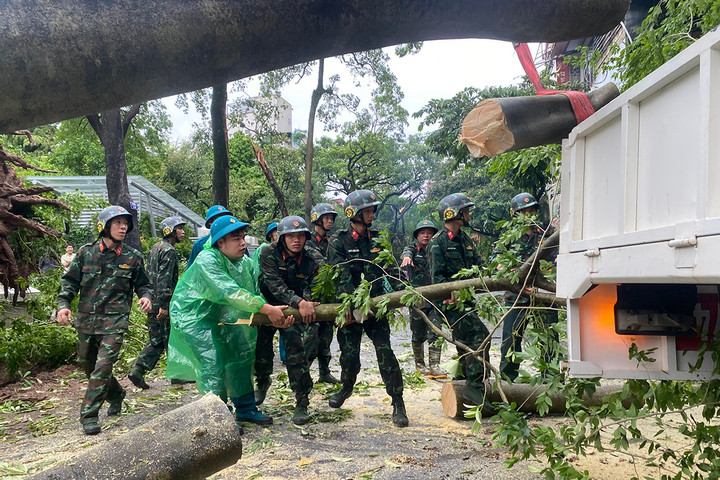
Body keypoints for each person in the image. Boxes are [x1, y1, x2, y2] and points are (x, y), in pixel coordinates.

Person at [166, 215, 292, 428]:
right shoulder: (208, 259)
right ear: (219, 242)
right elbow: (228, 291)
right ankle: (217, 417)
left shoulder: (244, 263)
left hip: (225, 314)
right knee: (212, 361)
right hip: (194, 317)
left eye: (243, 237)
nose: (243, 242)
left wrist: (272, 317)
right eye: (236, 238)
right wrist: (267, 309)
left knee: (240, 354)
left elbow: (253, 294)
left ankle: (246, 408)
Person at [56, 205, 153, 435]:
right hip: (86, 321)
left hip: (114, 322)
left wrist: (147, 298)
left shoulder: (132, 257)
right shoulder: (85, 253)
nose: (123, 227)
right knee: (88, 365)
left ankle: (89, 415)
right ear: (105, 226)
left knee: (102, 368)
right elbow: (69, 282)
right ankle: (117, 393)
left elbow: (144, 285)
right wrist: (63, 306)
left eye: (126, 223)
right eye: (118, 222)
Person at [327, 189, 408, 428]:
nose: (372, 214)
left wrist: (402, 293)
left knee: (386, 352)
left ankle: (398, 401)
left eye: (372, 210)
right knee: (349, 355)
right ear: (354, 213)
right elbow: (341, 279)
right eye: (367, 210)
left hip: (375, 307)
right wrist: (354, 310)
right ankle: (346, 387)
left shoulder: (378, 239)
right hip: (350, 308)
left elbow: (390, 271)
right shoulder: (338, 241)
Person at [256, 215, 320, 425]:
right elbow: (273, 283)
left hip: (293, 311)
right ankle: (262, 383)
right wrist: (300, 301)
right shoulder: (268, 252)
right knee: (262, 351)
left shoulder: (311, 257)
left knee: (296, 353)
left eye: (300, 235)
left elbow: (319, 282)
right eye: (291, 236)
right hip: (266, 308)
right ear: (281, 238)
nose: (296, 240)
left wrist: (309, 301)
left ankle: (302, 401)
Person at [428, 193, 490, 405]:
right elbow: (437, 279)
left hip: (467, 301)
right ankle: (475, 386)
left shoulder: (465, 239)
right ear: (453, 213)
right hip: (450, 304)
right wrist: (449, 293)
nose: (468, 214)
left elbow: (478, 267)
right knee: (480, 335)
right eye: (465, 211)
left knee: (465, 343)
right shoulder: (438, 243)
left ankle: (463, 383)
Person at [496, 192, 559, 382]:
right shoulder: (507, 238)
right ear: (515, 214)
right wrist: (505, 267)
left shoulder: (547, 234)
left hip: (543, 294)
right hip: (516, 296)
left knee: (549, 336)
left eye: (531, 210)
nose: (528, 214)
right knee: (511, 338)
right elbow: (497, 262)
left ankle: (552, 378)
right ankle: (508, 379)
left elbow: (557, 256)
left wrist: (555, 263)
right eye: (523, 211)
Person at [128, 216, 186, 390]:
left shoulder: (155, 247)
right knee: (165, 339)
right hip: (161, 302)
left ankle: (173, 375)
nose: (182, 232)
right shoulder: (169, 251)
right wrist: (164, 304)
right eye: (179, 228)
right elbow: (164, 280)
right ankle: (140, 370)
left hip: (152, 300)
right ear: (170, 230)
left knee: (160, 339)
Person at [400, 219, 446, 377]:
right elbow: (407, 252)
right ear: (417, 235)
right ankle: (419, 364)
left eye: (429, 232)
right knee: (418, 332)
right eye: (422, 233)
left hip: (435, 297)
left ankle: (435, 366)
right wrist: (407, 258)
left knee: (436, 330)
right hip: (417, 298)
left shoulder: (437, 249)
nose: (426, 235)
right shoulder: (412, 248)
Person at [304, 203, 341, 384]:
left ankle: (324, 372)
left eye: (331, 218)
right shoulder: (306, 241)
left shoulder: (333, 241)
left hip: (328, 294)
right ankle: (303, 374)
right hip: (310, 294)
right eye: (326, 217)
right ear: (316, 219)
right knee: (310, 337)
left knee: (326, 336)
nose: (329, 221)